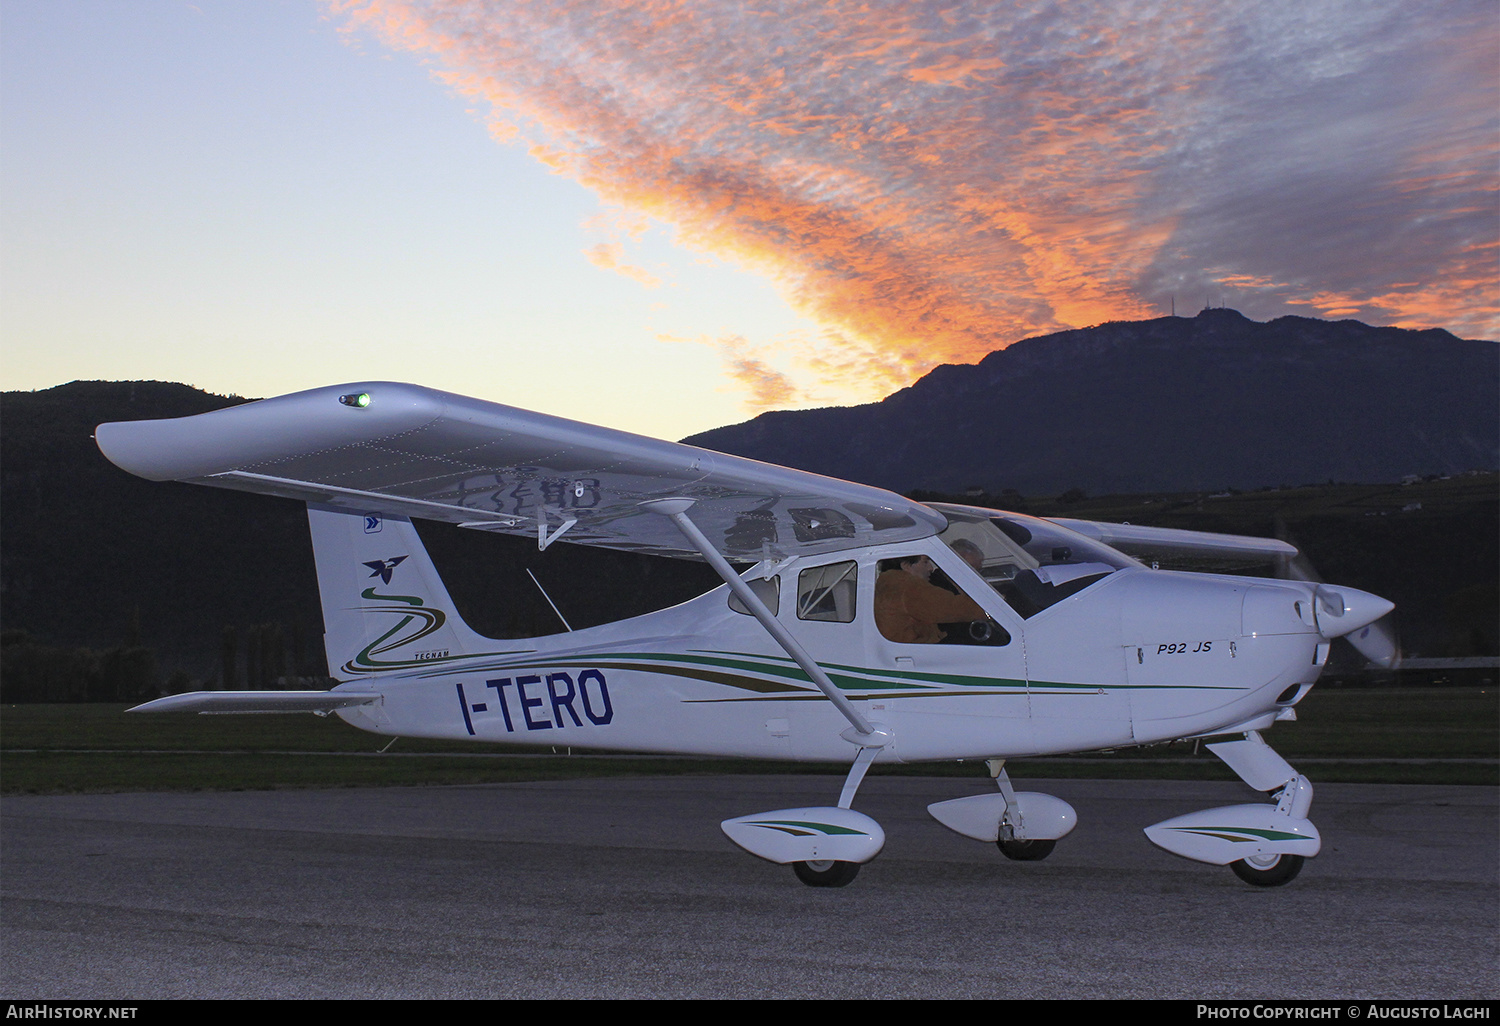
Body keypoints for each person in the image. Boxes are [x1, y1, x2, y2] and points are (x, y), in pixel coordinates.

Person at [874, 554, 987, 644]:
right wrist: (989, 610)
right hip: (915, 652)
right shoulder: (907, 586)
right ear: (906, 566)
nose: (930, 568)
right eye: (925, 562)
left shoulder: (888, 582)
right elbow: (949, 607)